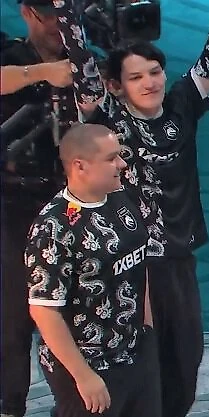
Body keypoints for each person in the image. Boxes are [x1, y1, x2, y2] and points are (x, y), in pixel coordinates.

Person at [52, 0, 209, 415]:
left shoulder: (182, 104)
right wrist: (65, 11)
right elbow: (81, 62)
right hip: (129, 264)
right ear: (117, 86)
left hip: (178, 260)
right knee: (143, 367)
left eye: (155, 72)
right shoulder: (109, 119)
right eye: (136, 77)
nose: (149, 82)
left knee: (186, 361)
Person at [25, 123, 161, 417]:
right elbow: (44, 310)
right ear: (80, 166)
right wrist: (84, 376)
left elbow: (138, 266)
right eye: (111, 158)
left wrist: (148, 330)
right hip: (89, 368)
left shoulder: (123, 198)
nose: (122, 164)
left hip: (136, 354)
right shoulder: (54, 227)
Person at [0, 1, 74, 415]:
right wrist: (43, 72)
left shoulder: (85, 56)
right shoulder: (10, 55)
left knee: (72, 313)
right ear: (28, 12)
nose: (60, 26)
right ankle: (11, 403)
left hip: (69, 205)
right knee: (13, 314)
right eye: (52, 16)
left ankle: (74, 403)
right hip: (14, 204)